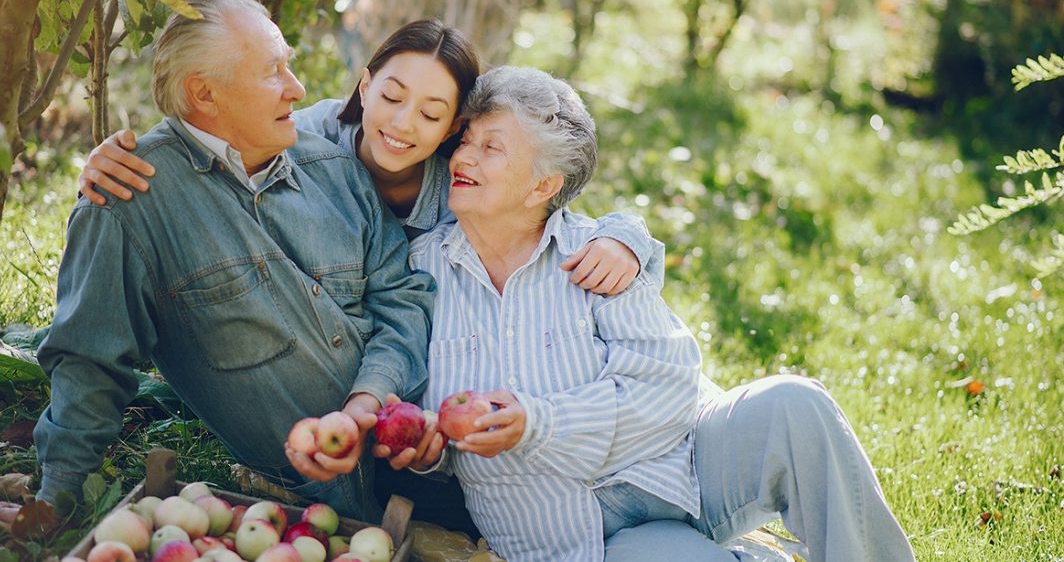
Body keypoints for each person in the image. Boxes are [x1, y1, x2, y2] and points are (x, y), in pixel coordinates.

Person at [68, 10, 659, 533]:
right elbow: (213, 133)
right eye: (392, 97)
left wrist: (628, 237)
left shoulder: (464, 179)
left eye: (431, 114)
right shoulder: (314, 141)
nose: (402, 125)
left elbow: (549, 204)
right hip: (368, 419)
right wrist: (112, 162)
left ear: (454, 127)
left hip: (452, 395)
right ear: (364, 85)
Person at [373, 66, 918, 561]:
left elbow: (668, 388)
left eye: (491, 147)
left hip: (681, 470)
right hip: (563, 533)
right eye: (466, 141)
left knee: (797, 405)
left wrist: (542, 421)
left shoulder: (595, 254)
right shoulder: (420, 272)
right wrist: (427, 450)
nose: (463, 158)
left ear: (543, 186)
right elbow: (428, 420)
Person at [32, 0, 434, 522]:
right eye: (273, 72)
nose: (298, 88)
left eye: (288, 65)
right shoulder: (132, 200)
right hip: (321, 505)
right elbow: (89, 364)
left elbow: (403, 299)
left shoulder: (335, 166)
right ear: (204, 92)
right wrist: (55, 500)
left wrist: (370, 398)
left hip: (427, 445)